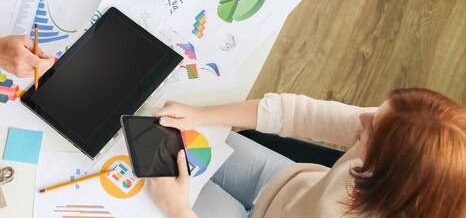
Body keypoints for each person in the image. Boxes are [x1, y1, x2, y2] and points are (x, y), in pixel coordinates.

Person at [148, 89, 466, 218]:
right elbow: (297, 112)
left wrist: (177, 209)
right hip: (284, 183)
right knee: (170, 143)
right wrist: (201, 114)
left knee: (150, 191)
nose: (362, 119)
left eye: (372, 129)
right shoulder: (404, 136)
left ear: (388, 175)